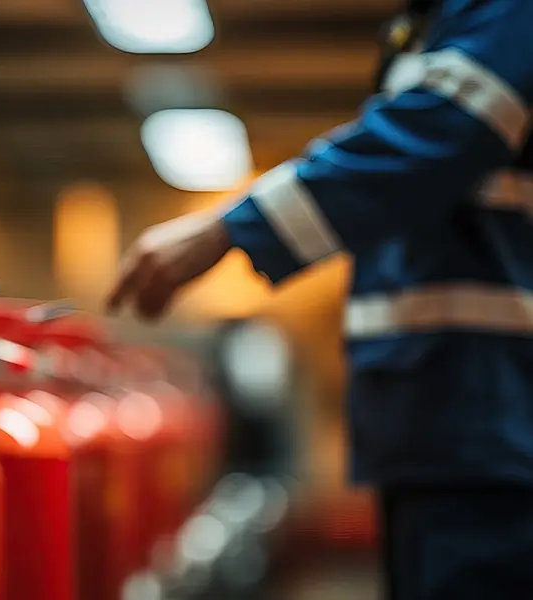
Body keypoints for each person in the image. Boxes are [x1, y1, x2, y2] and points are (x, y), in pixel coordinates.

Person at [105, 1, 533, 598]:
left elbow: (441, 128)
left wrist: (230, 226)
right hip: (438, 420)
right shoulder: (430, 25)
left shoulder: (505, 10)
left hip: (492, 417)